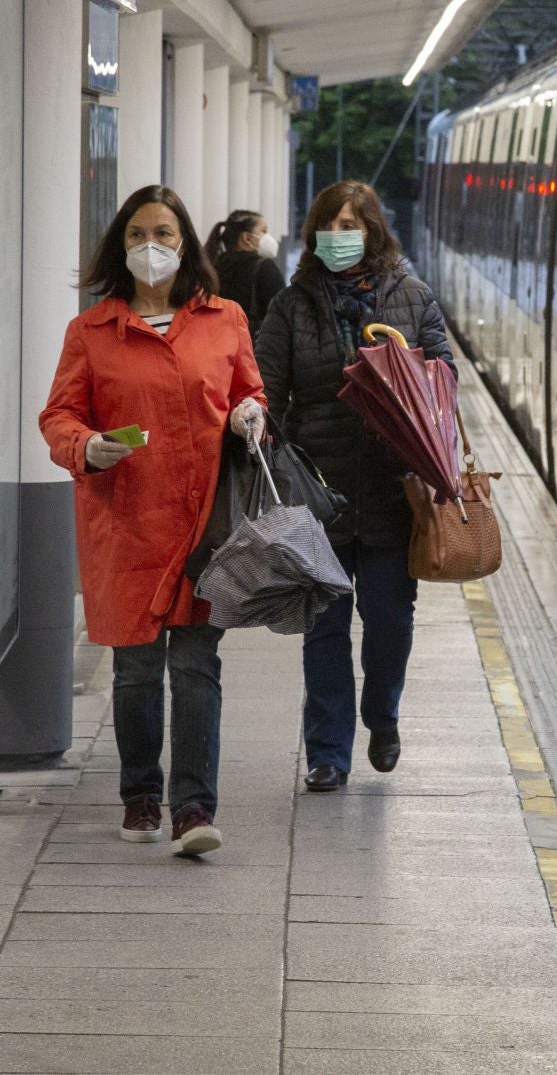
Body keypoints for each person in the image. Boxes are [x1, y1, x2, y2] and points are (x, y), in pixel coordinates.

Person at [39, 184, 267, 854]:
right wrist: (86, 447)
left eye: (164, 233)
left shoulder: (224, 319)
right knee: (136, 671)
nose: (152, 246)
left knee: (198, 667)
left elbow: (248, 392)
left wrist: (252, 417)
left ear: (186, 243)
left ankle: (193, 810)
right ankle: (140, 794)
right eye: (138, 233)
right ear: (121, 244)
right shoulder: (91, 331)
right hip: (127, 524)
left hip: (205, 527)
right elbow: (59, 415)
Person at [254, 180, 456, 792]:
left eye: (352, 224)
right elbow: (266, 385)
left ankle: (382, 717)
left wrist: (412, 377)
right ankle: (328, 753)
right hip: (320, 494)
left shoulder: (414, 299)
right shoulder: (292, 307)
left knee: (390, 620)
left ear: (374, 231)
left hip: (396, 494)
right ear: (315, 233)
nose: (340, 236)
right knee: (326, 627)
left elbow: (445, 380)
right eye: (330, 225)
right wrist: (260, 426)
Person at [203, 209, 285, 337]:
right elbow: (282, 314)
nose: (268, 237)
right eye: (263, 231)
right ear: (247, 238)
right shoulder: (264, 267)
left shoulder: (213, 266)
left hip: (217, 341)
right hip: (251, 346)